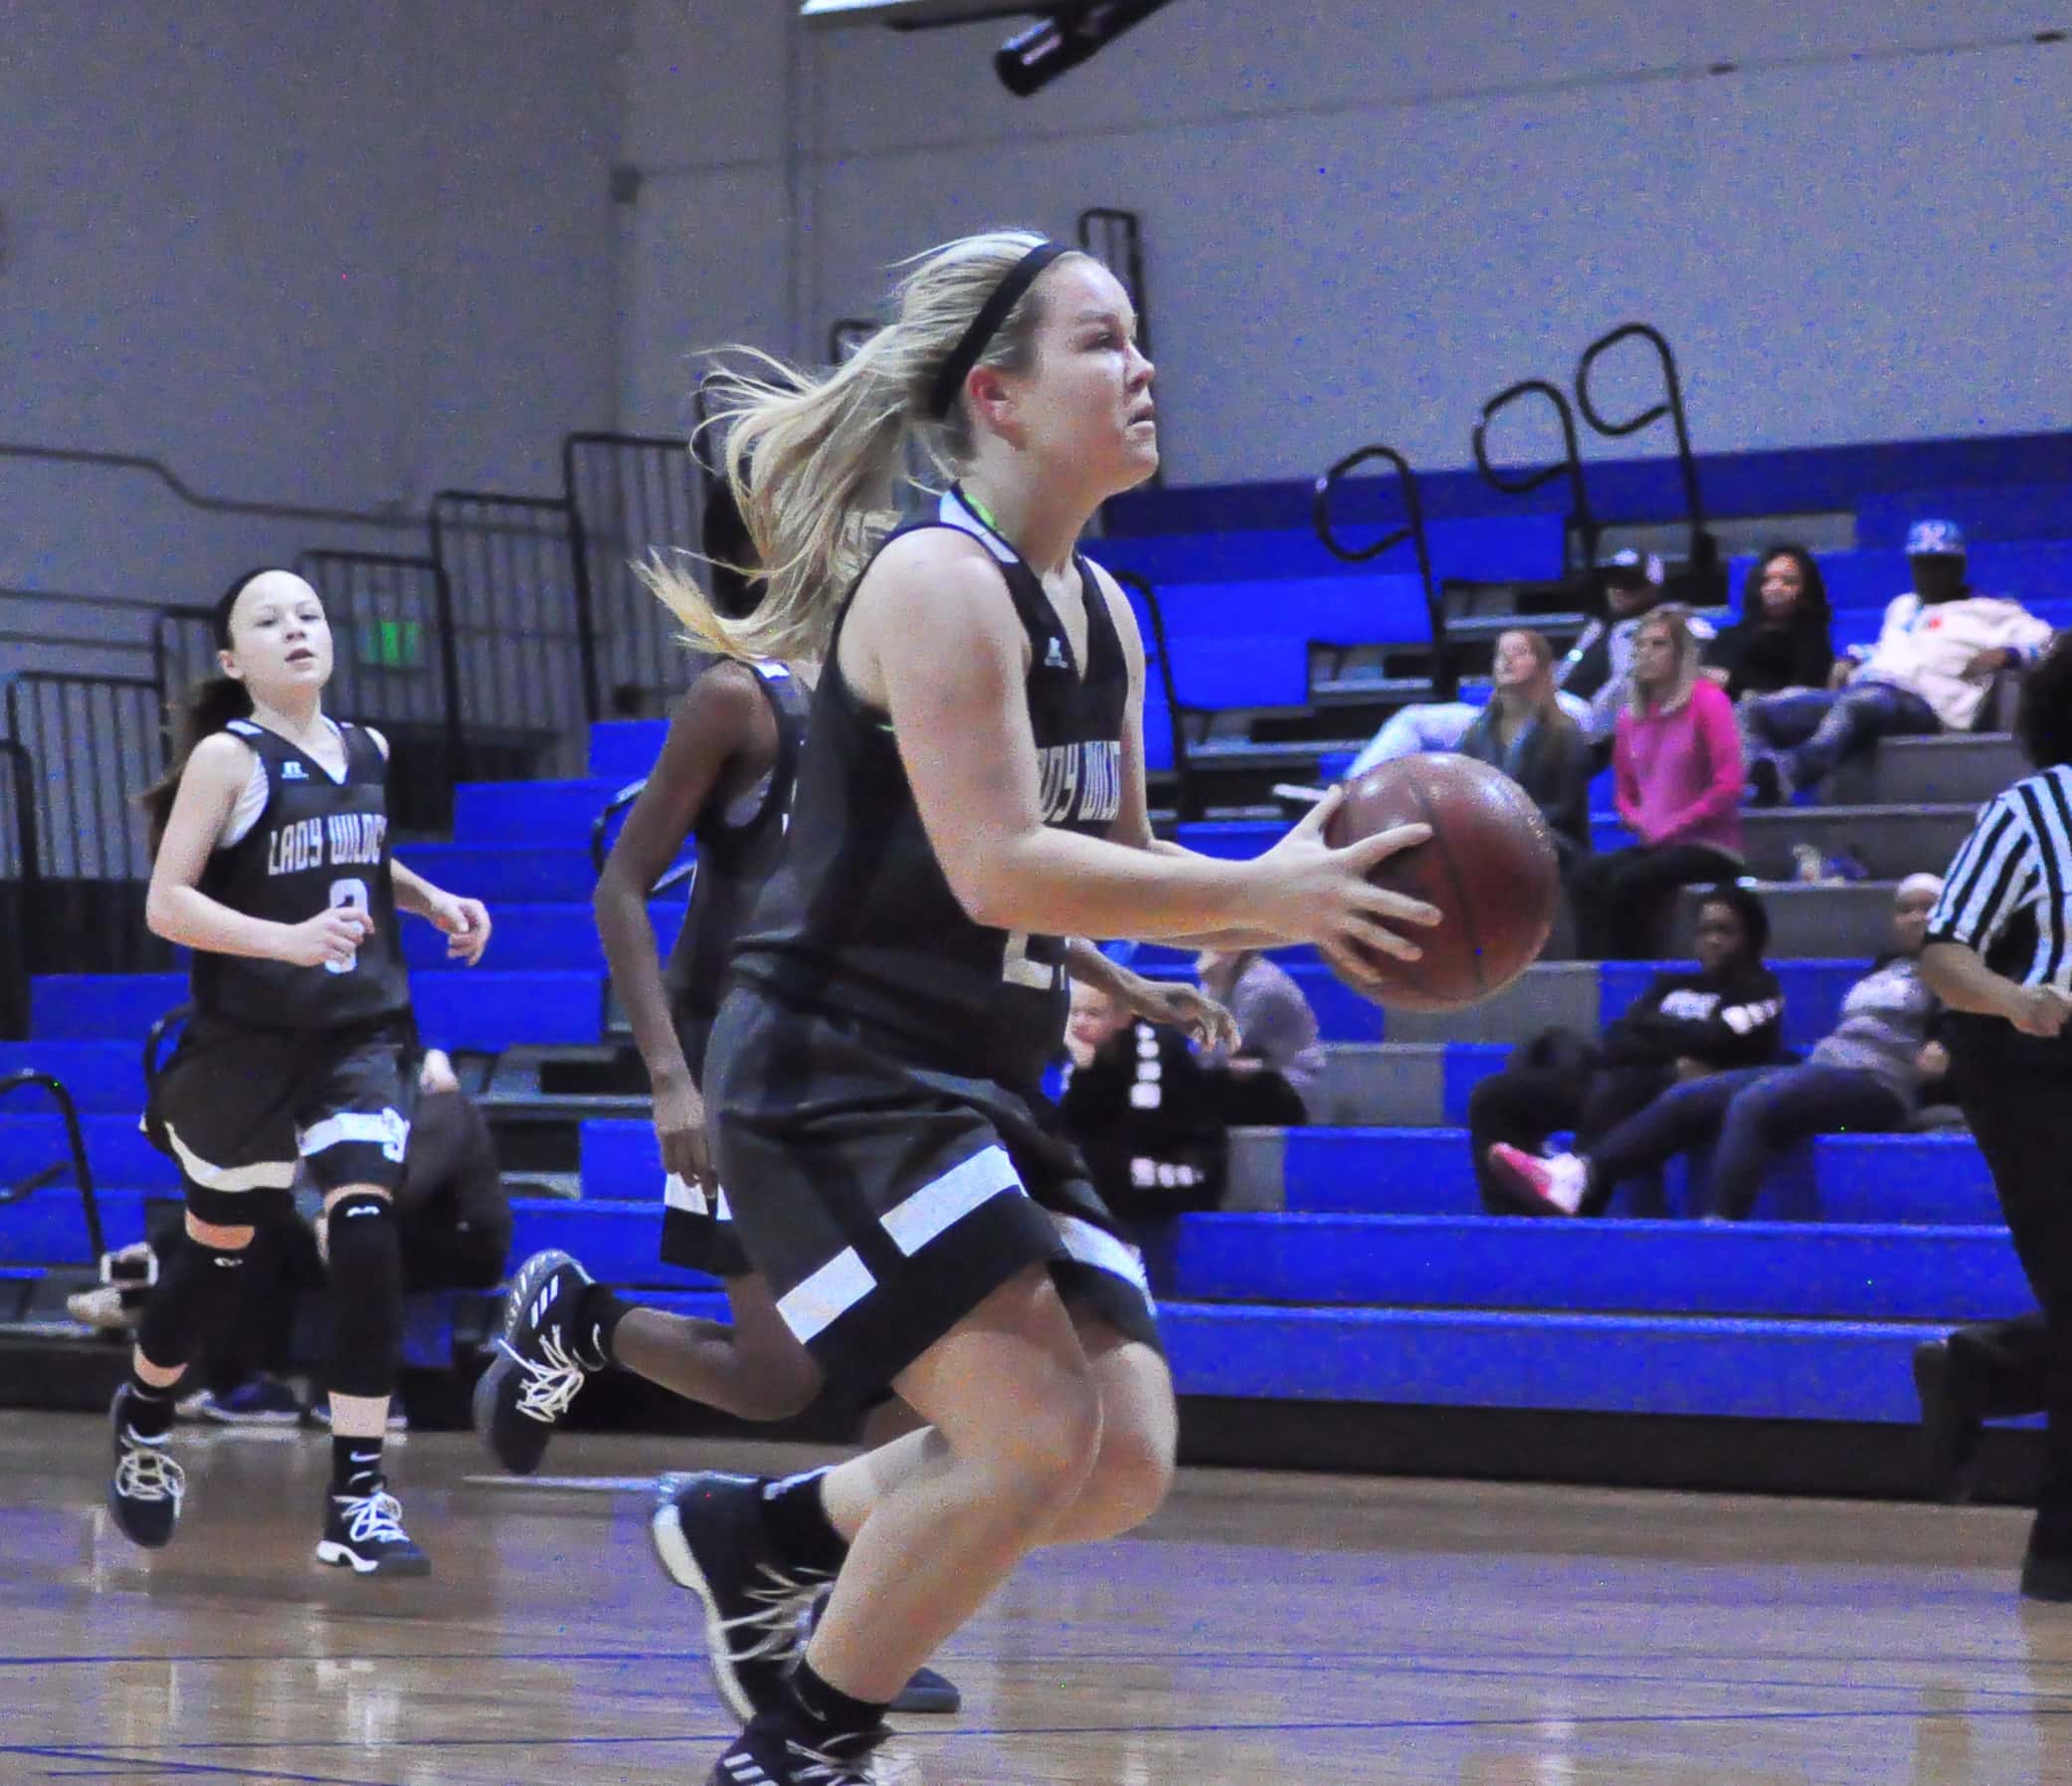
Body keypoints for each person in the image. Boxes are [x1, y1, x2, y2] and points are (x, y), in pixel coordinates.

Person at [628, 231, 1440, 1786]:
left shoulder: (1103, 608)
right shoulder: (936, 581)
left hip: (971, 1080)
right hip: (832, 1071)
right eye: (1101, 342)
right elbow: (999, 864)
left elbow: (1112, 858)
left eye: (1136, 340)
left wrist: (1272, 897)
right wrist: (1263, 895)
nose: (1143, 368)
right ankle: (799, 1746)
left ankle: (760, 1531)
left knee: (1118, 1452)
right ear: (996, 396)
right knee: (1025, 1431)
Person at [108, 567, 491, 1574]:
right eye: (269, 620)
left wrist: (431, 899)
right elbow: (166, 903)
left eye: (310, 614)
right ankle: (144, 1411)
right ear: (233, 660)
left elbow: (360, 860)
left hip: (357, 1034)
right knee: (218, 1254)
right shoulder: (227, 759)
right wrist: (287, 940)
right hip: (248, 1045)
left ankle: (356, 1495)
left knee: (364, 1226)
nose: (296, 629)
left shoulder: (368, 748)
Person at [1489, 875, 1946, 1219]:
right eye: (1905, 909)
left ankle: (1720, 1228)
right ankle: (1579, 1175)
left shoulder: (1956, 973)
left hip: (1878, 1086)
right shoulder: (1880, 971)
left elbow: (1965, 1029)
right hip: (1825, 1071)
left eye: (1928, 907)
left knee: (1753, 1102)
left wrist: (1944, 1043)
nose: (1916, 917)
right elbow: (1621, 1034)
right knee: (1688, 1095)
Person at [1915, 630, 2072, 1600]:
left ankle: (1990, 1366)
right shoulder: (2030, 810)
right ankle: (2060, 1555)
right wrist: (2014, 999)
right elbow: (1943, 953)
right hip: (2030, 1064)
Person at [1468, 883, 1784, 1215]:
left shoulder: (1762, 992)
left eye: (1724, 930)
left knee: (1619, 1085)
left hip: (1666, 1101)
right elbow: (1619, 1037)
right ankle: (1511, 1215)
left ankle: (1578, 1205)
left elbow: (1721, 1036)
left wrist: (1655, 1037)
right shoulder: (1672, 986)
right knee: (1493, 1097)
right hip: (1614, 1082)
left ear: (1751, 938)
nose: (1712, 940)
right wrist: (1676, 1051)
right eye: (1704, 931)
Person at [1742, 518, 2055, 805]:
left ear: (1959, 565)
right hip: (1868, 691)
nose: (1929, 574)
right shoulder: (1903, 606)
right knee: (1753, 708)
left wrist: (2011, 653)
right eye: (1921, 564)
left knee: (1862, 703)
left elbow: (2052, 642)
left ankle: (1793, 771)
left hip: (1926, 707)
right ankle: (1757, 781)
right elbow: (1890, 650)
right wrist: (1854, 656)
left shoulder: (1993, 611)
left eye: (1939, 564)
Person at [1567, 605, 1747, 959]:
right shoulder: (1630, 717)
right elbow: (1625, 792)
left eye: (1658, 644)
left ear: (1680, 653)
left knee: (1629, 881)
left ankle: (1632, 971)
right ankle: (1596, 969)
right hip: (1658, 843)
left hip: (1710, 846)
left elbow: (1729, 784)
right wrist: (1637, 818)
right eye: (1639, 646)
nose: (1645, 653)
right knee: (1585, 875)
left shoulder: (1709, 702)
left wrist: (1675, 823)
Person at [1059, 977, 1233, 1218]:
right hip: (1126, 1166)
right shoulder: (1083, 1057)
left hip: (1187, 1167)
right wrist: (1084, 1071)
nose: (1080, 1023)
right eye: (1075, 1013)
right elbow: (1075, 1131)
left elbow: (1139, 1132)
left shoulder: (1158, 1051)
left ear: (1123, 1018)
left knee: (1100, 1170)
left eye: (1093, 1014)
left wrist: (1088, 1078)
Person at [1457, 628, 1593, 860]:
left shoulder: (1565, 733)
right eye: (1501, 654)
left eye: (1519, 652)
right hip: (1492, 844)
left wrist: (1508, 828)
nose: (1507, 660)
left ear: (1541, 666)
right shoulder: (1476, 733)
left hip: (1554, 847)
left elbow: (1564, 811)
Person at [1194, 946, 1325, 1124]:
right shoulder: (1217, 979)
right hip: (1252, 1075)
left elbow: (1225, 1050)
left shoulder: (1261, 986)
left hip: (1290, 1085)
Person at [1701, 544, 1835, 703]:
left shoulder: (1814, 645)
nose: (1775, 588)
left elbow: (1801, 697)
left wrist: (1733, 680)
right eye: (1766, 580)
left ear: (1807, 592)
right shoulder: (1728, 638)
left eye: (1788, 581)